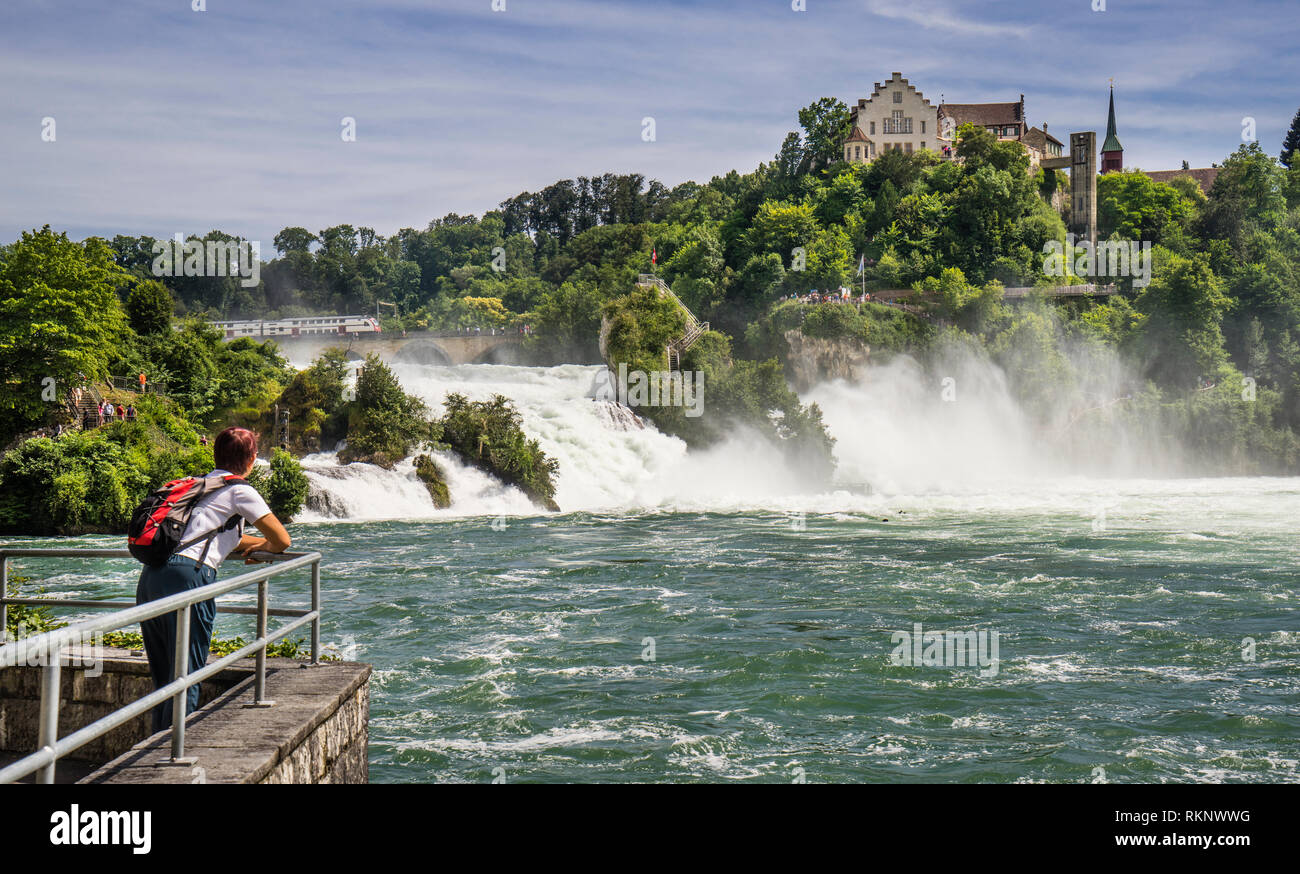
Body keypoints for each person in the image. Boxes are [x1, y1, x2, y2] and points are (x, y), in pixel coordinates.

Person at [135, 426, 292, 732]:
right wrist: (266, 547)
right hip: (188, 578)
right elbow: (281, 539)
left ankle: (158, 747)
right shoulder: (240, 490)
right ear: (252, 459)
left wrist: (255, 545)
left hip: (152, 577)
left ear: (215, 454)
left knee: (165, 677)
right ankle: (173, 757)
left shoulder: (198, 485)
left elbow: (229, 538)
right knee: (188, 673)